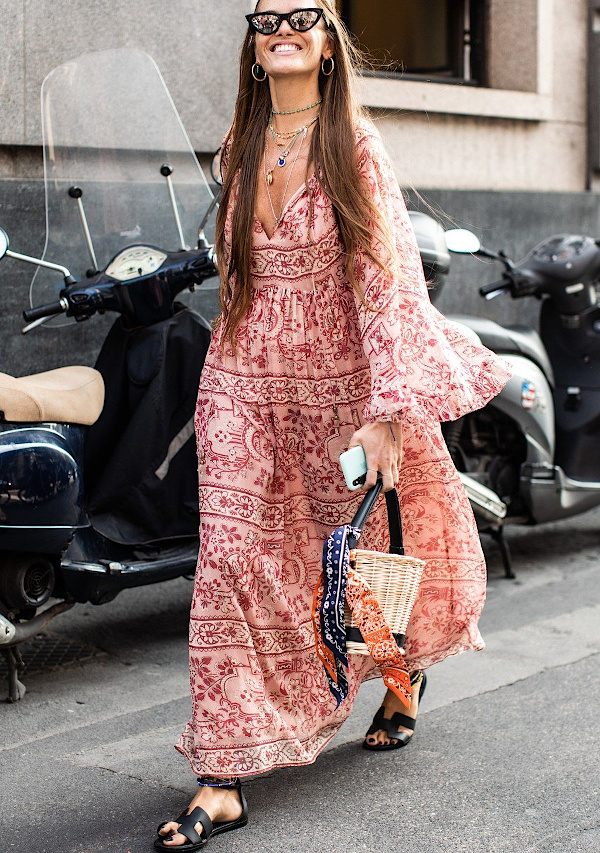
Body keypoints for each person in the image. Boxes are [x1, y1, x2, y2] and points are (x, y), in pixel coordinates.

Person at [155, 1, 511, 849]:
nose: (282, 25)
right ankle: (223, 770)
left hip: (345, 385)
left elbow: (387, 282)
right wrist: (219, 390)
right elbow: (238, 284)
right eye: (265, 16)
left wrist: (389, 413)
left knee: (356, 557)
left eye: (303, 14)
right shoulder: (240, 151)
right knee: (233, 561)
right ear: (252, 47)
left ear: (326, 46)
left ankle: (398, 677)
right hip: (247, 383)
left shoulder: (357, 147)